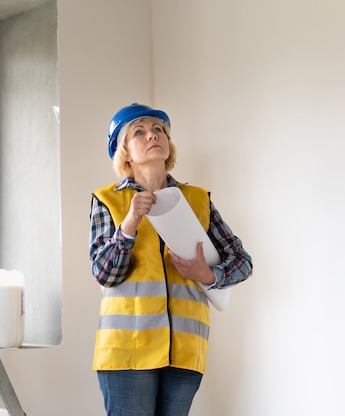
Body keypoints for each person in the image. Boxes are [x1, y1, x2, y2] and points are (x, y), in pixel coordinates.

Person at [89, 103, 253, 416]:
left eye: (159, 130)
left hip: (185, 352)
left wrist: (207, 274)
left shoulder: (198, 199)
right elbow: (104, 273)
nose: (152, 135)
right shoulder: (108, 200)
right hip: (127, 353)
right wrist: (129, 224)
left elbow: (242, 261)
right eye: (139, 132)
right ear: (124, 152)